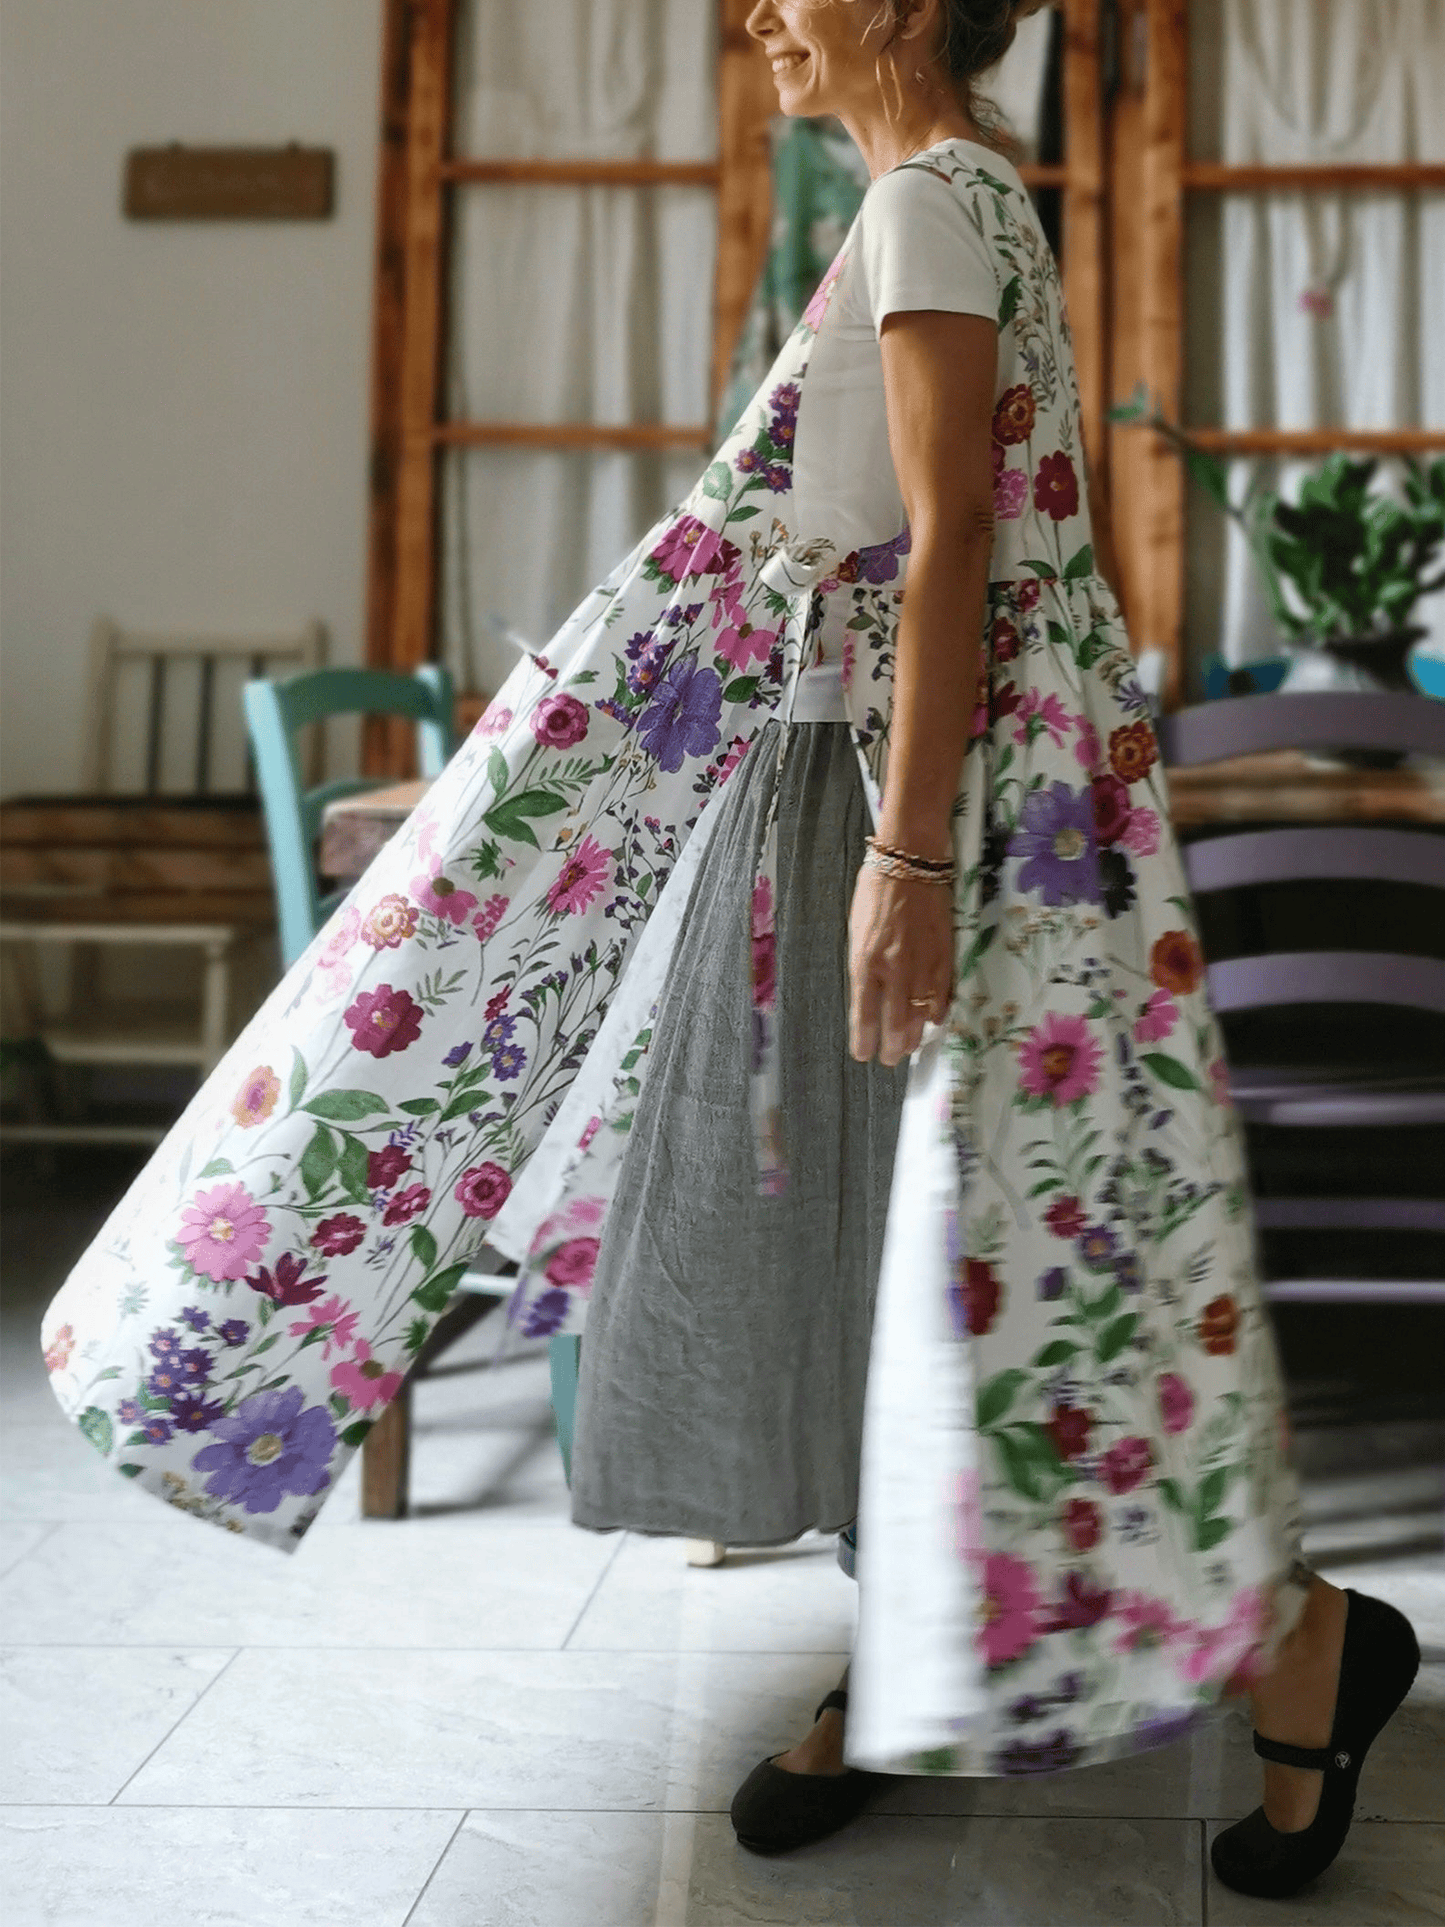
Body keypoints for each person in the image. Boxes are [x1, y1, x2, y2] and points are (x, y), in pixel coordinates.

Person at [38, 0, 1417, 1906]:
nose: (756, 11)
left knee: (933, 1249)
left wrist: (907, 855)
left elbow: (951, 552)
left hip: (889, 802)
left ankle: (1287, 1630)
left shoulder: (935, 201)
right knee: (877, 1258)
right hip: (858, 792)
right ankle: (943, 1641)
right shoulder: (957, 196)